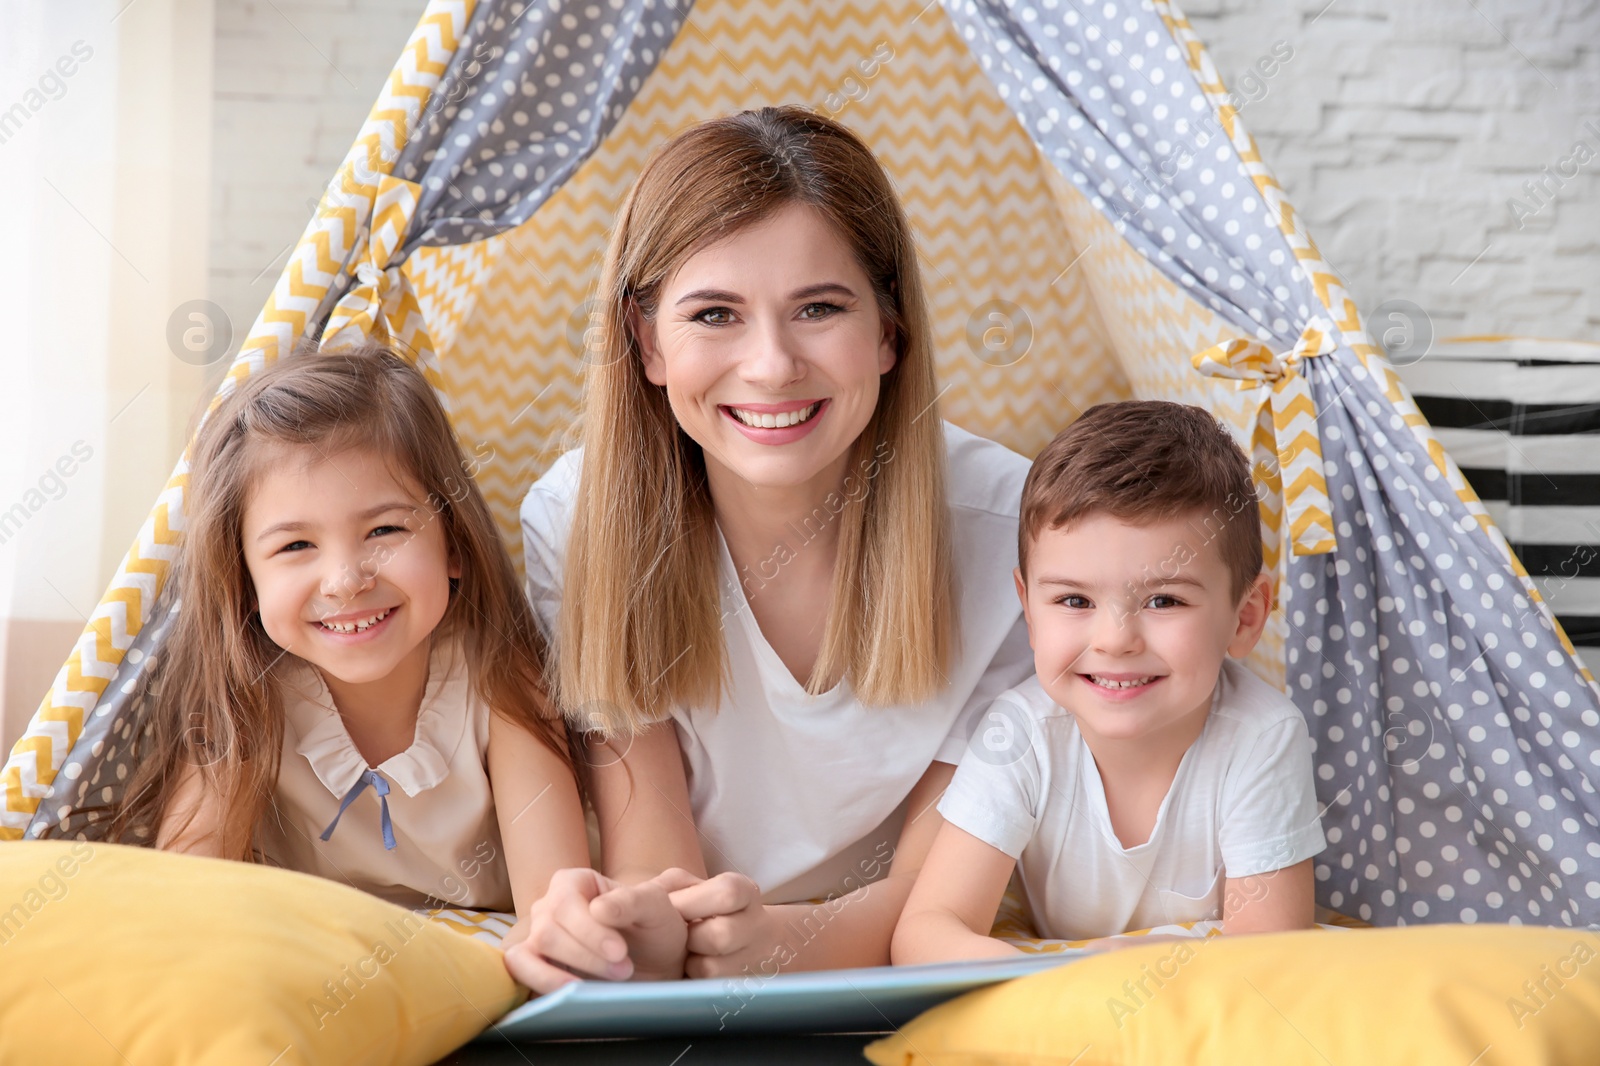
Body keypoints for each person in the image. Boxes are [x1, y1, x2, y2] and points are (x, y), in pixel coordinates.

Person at [508, 106, 1036, 990]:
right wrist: (636, 926)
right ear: (647, 343)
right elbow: (654, 859)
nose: (770, 365)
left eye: (819, 309)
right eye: (714, 314)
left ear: (888, 334)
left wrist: (787, 945)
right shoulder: (575, 518)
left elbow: (937, 893)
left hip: (901, 968)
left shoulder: (1007, 528)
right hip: (710, 978)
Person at [114, 342, 591, 939]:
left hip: (493, 961)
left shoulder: (500, 677)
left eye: (384, 529)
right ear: (245, 582)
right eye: (295, 547)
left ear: (455, 545)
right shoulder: (245, 700)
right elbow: (178, 907)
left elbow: (557, 910)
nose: (346, 581)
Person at [892, 401, 1326, 963]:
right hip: (1061, 992)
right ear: (1028, 608)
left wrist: (1131, 971)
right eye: (1074, 600)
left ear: (1244, 619)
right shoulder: (1019, 735)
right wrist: (1062, 982)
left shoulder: (1262, 737)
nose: (1116, 639)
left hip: (1193, 1012)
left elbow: (1270, 956)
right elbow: (925, 933)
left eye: (1164, 600)